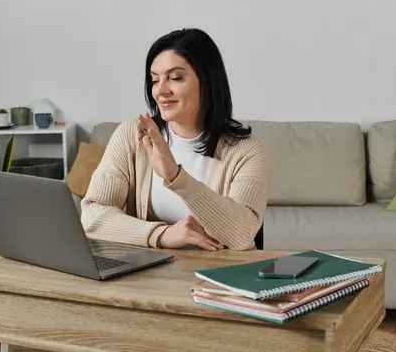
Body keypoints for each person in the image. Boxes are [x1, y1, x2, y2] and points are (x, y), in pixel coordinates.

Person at [80, 28, 270, 251]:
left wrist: (176, 177)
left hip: (217, 279)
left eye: (175, 78)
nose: (160, 91)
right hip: (148, 278)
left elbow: (241, 236)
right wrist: (161, 235)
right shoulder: (132, 134)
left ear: (207, 81)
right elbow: (92, 216)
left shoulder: (247, 151)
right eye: (154, 80)